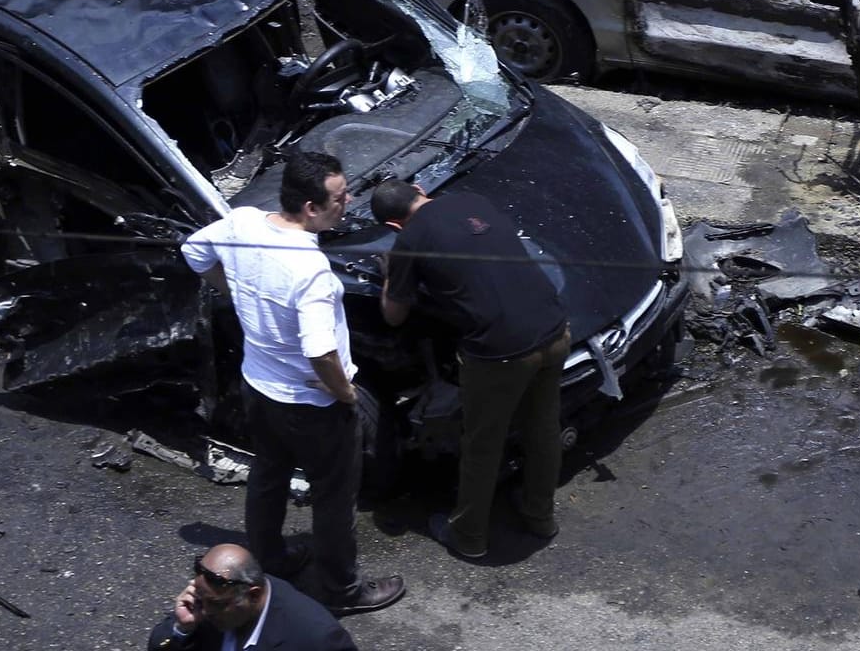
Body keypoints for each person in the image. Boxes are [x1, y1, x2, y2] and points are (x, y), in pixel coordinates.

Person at [183, 151, 404, 616]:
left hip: (259, 387)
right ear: (310, 208)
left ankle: (271, 558)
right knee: (333, 498)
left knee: (268, 474)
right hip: (311, 404)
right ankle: (343, 591)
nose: (348, 202)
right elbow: (320, 350)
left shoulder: (241, 223)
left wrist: (238, 291)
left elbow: (193, 251)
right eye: (341, 198)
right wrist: (344, 393)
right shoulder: (311, 272)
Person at [372, 180, 570, 560]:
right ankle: (540, 516)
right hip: (554, 329)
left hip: (500, 354)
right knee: (543, 428)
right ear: (419, 188)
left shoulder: (408, 241)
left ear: (394, 225)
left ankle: (469, 536)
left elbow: (393, 315)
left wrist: (389, 274)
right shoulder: (473, 197)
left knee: (482, 445)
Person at [148, 543, 357, 651]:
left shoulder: (318, 638)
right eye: (203, 600)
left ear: (253, 595)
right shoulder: (207, 603)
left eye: (216, 604)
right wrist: (182, 628)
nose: (207, 612)